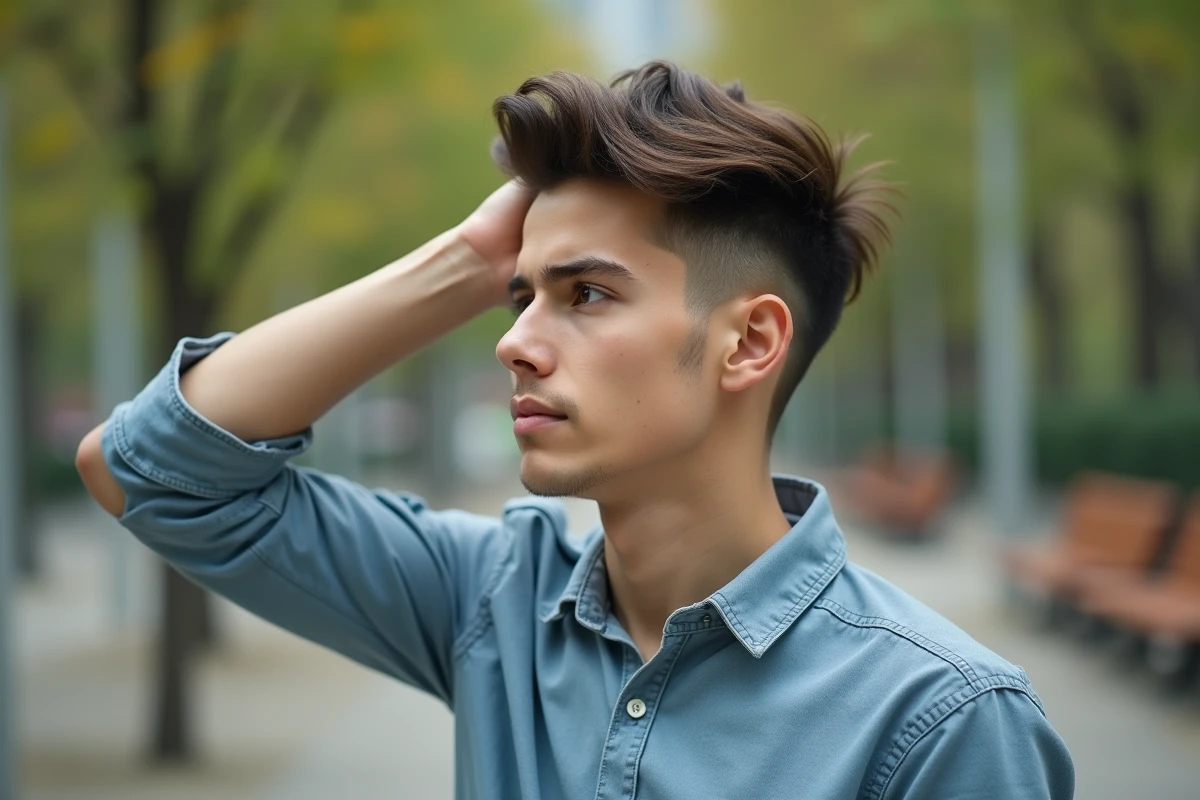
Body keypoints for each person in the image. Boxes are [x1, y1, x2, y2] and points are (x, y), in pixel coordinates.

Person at [75, 61, 1074, 798]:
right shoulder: (497, 601)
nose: (513, 342)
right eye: (519, 296)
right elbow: (146, 470)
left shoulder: (940, 720)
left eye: (586, 293)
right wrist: (468, 261)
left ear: (749, 342)